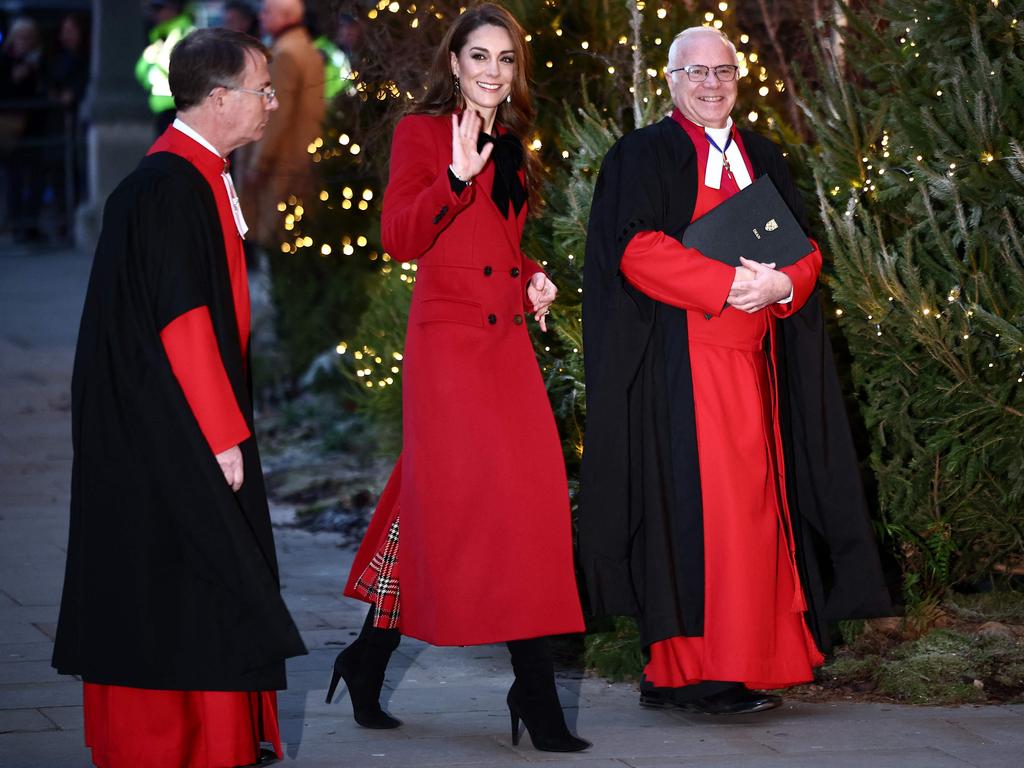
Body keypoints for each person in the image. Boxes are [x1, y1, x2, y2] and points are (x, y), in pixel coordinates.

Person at [579, 26, 891, 716]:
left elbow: (803, 249)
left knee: (755, 517)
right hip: (686, 372)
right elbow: (635, 251)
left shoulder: (765, 155)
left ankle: (733, 664)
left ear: (738, 80)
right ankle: (700, 672)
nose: (712, 84)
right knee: (707, 521)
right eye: (697, 73)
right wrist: (726, 284)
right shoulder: (644, 153)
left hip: (760, 368)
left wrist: (781, 286)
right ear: (670, 80)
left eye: (724, 72)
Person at [332, 2, 589, 753]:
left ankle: (366, 657)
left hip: (505, 348)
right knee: (490, 506)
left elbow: (496, 245)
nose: (493, 72)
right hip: (448, 354)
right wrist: (451, 174)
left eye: (506, 60)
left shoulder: (512, 141)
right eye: (480, 57)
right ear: (453, 63)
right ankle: (537, 696)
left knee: (494, 505)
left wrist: (533, 276)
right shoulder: (422, 134)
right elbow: (402, 236)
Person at [52, 27, 306, 768]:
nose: (270, 101)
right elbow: (182, 318)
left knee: (192, 578)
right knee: (180, 581)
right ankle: (179, 745)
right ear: (218, 98)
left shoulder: (189, 174)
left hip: (170, 422)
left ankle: (215, 740)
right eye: (261, 89)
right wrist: (223, 434)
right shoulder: (169, 185)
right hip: (169, 431)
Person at [239, 0, 324, 246]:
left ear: (284, 16)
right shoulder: (306, 48)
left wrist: (258, 163)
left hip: (281, 159)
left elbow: (275, 114)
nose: (261, 17)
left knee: (274, 238)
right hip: (301, 154)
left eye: (267, 11)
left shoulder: (284, 53)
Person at [135, 0, 195, 135]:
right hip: (161, 109)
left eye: (160, 9)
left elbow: (177, 68)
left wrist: (156, 59)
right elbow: (141, 72)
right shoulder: (160, 36)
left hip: (181, 109)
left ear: (174, 9)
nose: (156, 14)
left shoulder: (185, 32)